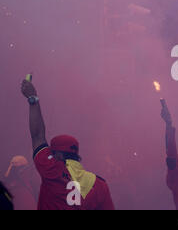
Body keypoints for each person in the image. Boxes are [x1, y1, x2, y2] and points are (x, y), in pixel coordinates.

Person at [20, 79, 115, 210]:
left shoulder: (51, 168)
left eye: (52, 152)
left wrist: (33, 98)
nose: (50, 155)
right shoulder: (100, 185)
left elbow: (37, 135)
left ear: (58, 155)